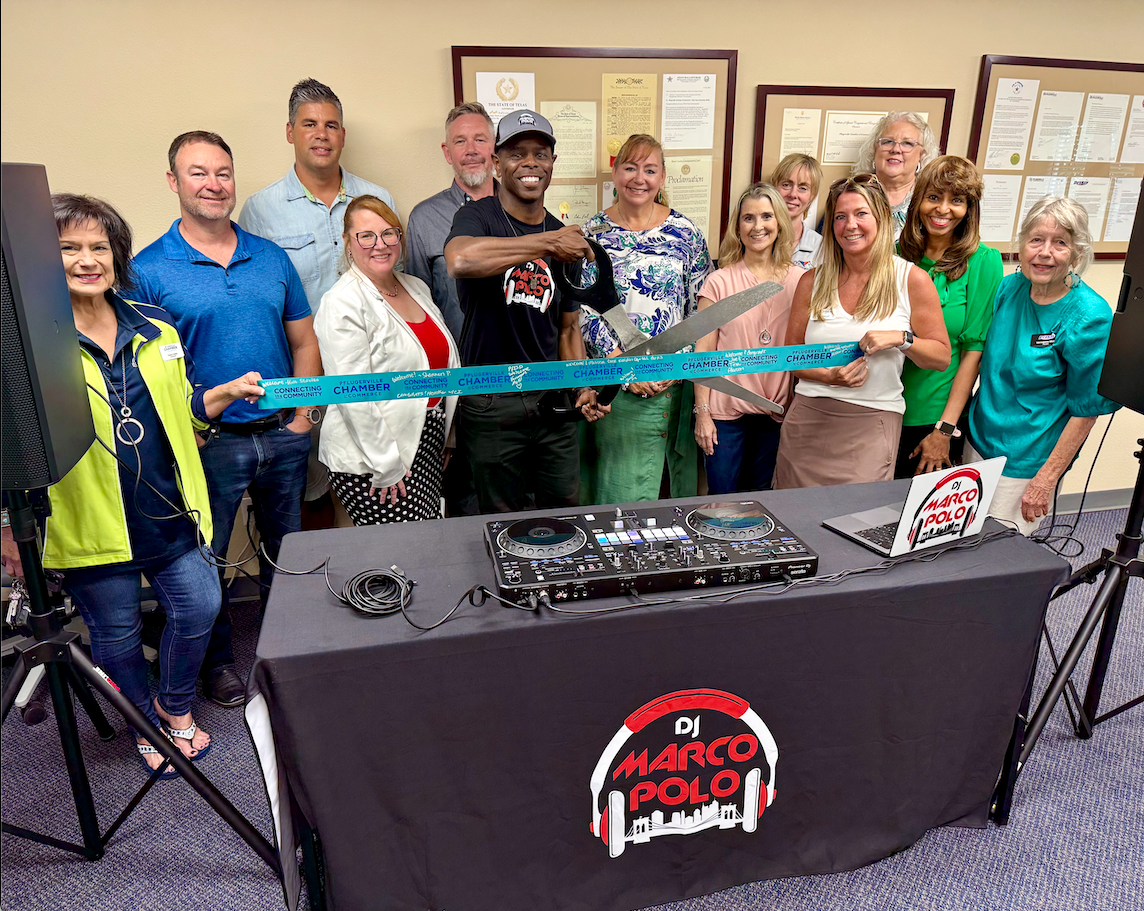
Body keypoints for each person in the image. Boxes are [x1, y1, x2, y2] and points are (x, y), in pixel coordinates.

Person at [41, 194, 264, 775]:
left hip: (169, 509)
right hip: (94, 520)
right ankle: (144, 725)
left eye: (99, 247)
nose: (88, 260)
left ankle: (174, 706)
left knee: (201, 608)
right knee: (116, 634)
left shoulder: (156, 329)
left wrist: (220, 396)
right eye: (69, 249)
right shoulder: (34, 349)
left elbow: (182, 416)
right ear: (44, 259)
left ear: (117, 257)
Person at [133, 131, 320, 708]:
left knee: (286, 556)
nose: (214, 184)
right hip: (207, 442)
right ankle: (216, 665)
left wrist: (304, 419)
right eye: (198, 173)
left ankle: (282, 654)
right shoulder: (148, 269)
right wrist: (189, 429)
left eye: (222, 172)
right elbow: (144, 369)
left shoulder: (270, 257)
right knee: (205, 559)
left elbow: (304, 340)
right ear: (173, 182)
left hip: (282, 437)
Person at [237, 78, 396, 526]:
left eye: (331, 125)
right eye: (310, 124)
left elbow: (394, 287)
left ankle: (368, 589)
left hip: (369, 376)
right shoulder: (260, 210)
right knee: (304, 497)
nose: (321, 134)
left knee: (368, 491)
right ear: (290, 132)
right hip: (303, 377)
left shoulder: (377, 199)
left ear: (343, 134)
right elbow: (259, 302)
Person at [444, 109, 606, 514]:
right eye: (517, 153)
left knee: (564, 511)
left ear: (552, 164)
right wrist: (548, 244)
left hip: (553, 400)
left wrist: (582, 386)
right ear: (497, 164)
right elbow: (461, 260)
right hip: (491, 400)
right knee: (498, 518)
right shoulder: (477, 216)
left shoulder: (561, 235)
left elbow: (568, 328)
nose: (530, 163)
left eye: (540, 153)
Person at [774, 175, 951, 489]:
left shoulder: (911, 279)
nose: (850, 225)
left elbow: (940, 357)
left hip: (872, 422)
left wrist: (902, 339)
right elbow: (788, 357)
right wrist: (828, 377)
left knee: (853, 522)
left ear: (881, 218)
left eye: (861, 214)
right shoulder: (811, 281)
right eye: (840, 217)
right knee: (794, 522)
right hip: (808, 420)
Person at [967, 197, 1119, 535]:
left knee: (1000, 554)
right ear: (1021, 245)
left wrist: (1045, 480)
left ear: (1077, 254)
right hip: (979, 438)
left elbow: (1085, 411)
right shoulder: (1010, 287)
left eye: (1060, 243)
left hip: (1027, 457)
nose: (1045, 252)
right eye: (1036, 240)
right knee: (960, 544)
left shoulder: (1090, 316)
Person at [579, 133, 711, 504]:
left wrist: (676, 361)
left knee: (673, 494)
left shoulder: (686, 234)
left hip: (673, 384)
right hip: (614, 388)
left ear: (663, 177)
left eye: (650, 170)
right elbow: (582, 311)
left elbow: (699, 309)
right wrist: (621, 365)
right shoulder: (591, 234)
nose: (640, 178)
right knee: (617, 496)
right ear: (615, 172)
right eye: (630, 167)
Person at [314, 196, 460, 524]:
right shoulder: (341, 302)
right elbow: (353, 394)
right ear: (348, 243)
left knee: (426, 544)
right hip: (375, 459)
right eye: (366, 235)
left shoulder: (416, 287)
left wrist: (444, 432)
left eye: (388, 233)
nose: (379, 244)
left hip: (426, 444)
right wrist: (386, 465)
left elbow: (443, 369)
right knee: (398, 559)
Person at [406, 102, 498, 517]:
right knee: (464, 496)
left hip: (522, 376)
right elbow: (415, 309)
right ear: (447, 152)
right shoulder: (425, 219)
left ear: (495, 148)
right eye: (460, 141)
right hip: (457, 384)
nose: (471, 149)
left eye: (480, 139)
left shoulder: (528, 212)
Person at [693, 183, 805, 493]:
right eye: (748, 218)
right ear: (738, 228)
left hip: (776, 416)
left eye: (766, 216)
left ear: (780, 223)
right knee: (722, 503)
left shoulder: (800, 281)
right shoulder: (719, 282)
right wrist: (702, 414)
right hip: (724, 418)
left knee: (762, 504)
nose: (758, 226)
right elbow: (702, 354)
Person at [895, 156, 1003, 478]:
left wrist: (944, 430)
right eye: (933, 197)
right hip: (885, 407)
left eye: (956, 200)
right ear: (918, 202)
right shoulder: (898, 254)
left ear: (969, 209)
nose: (943, 209)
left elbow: (974, 353)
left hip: (934, 417)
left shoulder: (983, 261)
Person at [852, 112, 939, 242]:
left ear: (922, 154)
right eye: (887, 141)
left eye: (907, 143)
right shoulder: (849, 195)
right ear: (874, 149)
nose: (896, 149)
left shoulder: (932, 201)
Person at [769, 154, 823, 269]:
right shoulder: (757, 239)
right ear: (774, 188)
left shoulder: (821, 248)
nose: (793, 194)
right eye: (786, 185)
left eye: (803, 188)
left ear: (811, 197)